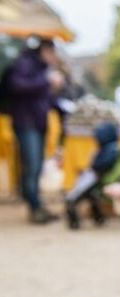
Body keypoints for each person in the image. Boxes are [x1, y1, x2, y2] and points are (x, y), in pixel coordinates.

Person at [3, 38, 63, 223]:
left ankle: (36, 205)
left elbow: (45, 99)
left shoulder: (40, 69)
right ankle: (34, 206)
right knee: (32, 166)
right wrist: (46, 82)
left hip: (37, 121)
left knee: (36, 167)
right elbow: (17, 86)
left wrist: (62, 108)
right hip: (26, 121)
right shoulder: (25, 64)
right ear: (45, 50)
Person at [64, 122, 119, 229]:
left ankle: (74, 224)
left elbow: (100, 165)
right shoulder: (107, 148)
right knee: (92, 197)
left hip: (95, 178)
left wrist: (93, 166)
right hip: (93, 177)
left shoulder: (111, 149)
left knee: (72, 199)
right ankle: (99, 218)